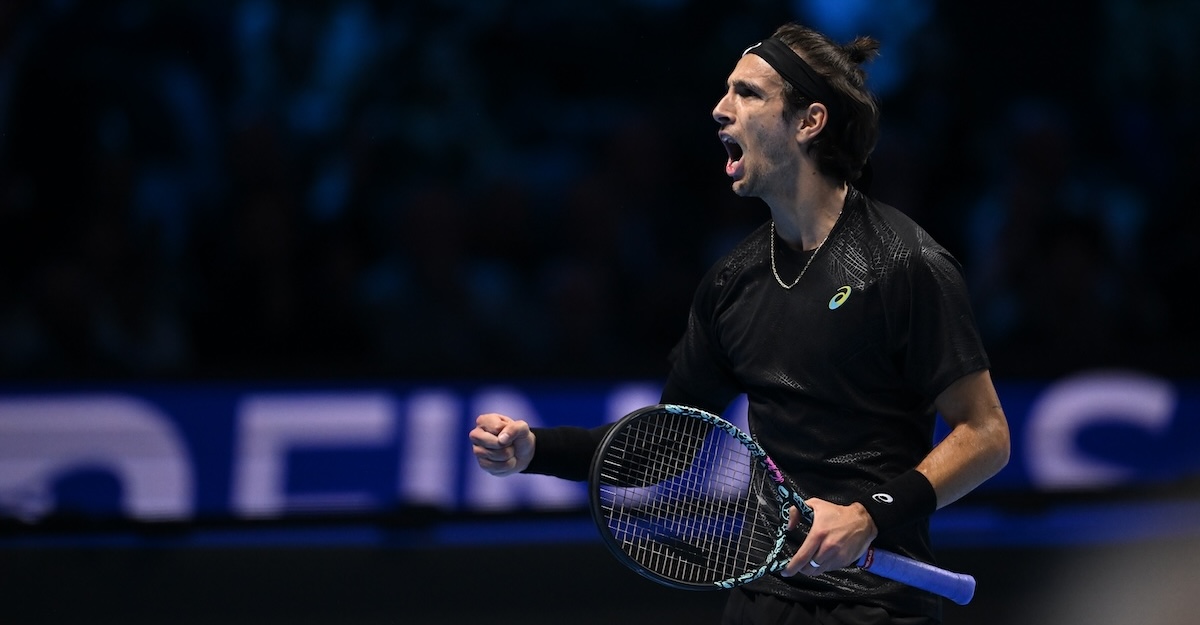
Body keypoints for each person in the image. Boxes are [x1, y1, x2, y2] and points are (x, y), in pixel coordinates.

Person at [470, 22, 1010, 625]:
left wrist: (867, 516)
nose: (720, 109)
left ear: (809, 122)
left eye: (747, 93)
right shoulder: (734, 282)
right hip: (763, 600)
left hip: (876, 606)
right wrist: (534, 449)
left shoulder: (905, 264)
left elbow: (986, 435)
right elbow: (659, 447)